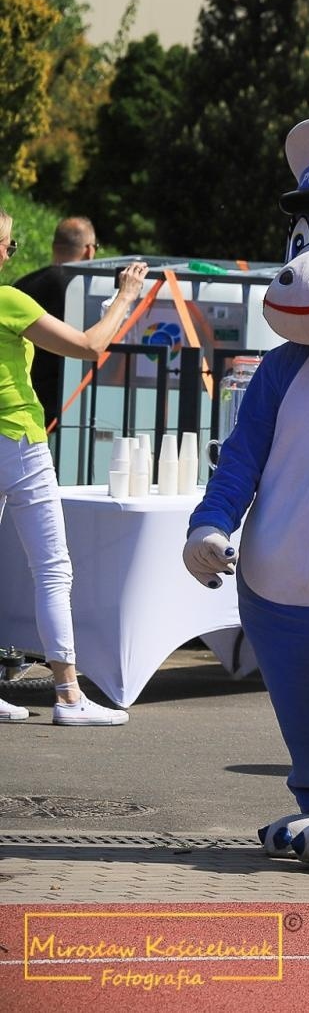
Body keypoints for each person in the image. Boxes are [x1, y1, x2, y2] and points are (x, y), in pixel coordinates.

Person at [0, 209, 146, 725]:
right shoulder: (8, 301)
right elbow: (88, 346)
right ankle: (67, 694)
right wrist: (126, 297)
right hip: (17, 440)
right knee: (52, 567)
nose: (9, 253)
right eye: (7, 244)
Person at [11, 216, 96, 430]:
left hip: (24, 401)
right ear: (89, 250)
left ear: (53, 247)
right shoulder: (87, 291)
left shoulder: (23, 285)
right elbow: (90, 345)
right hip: (71, 406)